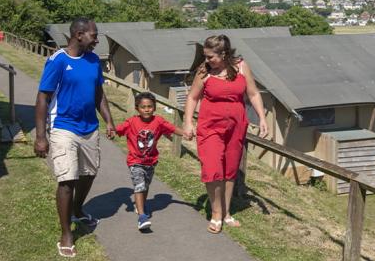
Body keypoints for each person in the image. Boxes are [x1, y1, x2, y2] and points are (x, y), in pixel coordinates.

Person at [34, 17, 116, 258]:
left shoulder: (93, 60)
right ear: (79, 35)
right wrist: (41, 136)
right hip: (63, 127)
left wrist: (109, 120)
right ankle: (66, 233)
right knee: (67, 179)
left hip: (89, 127)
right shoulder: (58, 61)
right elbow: (42, 99)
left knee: (89, 173)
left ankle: (78, 209)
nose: (97, 39)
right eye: (94, 34)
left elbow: (99, 93)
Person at [183, 34, 268, 234]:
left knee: (230, 170)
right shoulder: (204, 72)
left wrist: (262, 118)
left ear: (224, 54)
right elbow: (192, 97)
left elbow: (253, 93)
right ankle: (216, 213)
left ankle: (227, 212)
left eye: (211, 56)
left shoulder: (241, 67)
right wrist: (188, 122)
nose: (207, 60)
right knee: (213, 169)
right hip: (210, 126)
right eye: (205, 55)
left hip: (236, 126)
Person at [115, 91, 179, 231]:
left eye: (150, 106)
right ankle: (142, 217)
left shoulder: (158, 121)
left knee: (146, 185)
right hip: (135, 161)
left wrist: (185, 133)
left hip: (151, 161)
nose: (147, 109)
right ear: (137, 108)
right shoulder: (131, 122)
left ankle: (141, 206)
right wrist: (111, 131)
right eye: (143, 107)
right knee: (140, 185)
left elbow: (173, 128)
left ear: (154, 107)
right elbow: (117, 130)